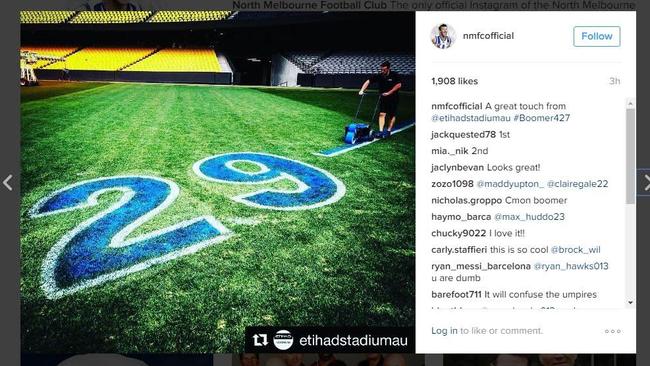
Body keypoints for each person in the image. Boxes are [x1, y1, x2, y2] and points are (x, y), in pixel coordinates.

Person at [359, 60, 402, 138]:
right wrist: (362, 90)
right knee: (381, 114)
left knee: (391, 115)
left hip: (393, 98)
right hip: (383, 98)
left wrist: (389, 93)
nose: (382, 71)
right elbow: (368, 81)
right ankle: (381, 131)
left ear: (388, 68)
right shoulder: (380, 76)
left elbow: (399, 85)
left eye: (384, 69)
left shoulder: (394, 75)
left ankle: (388, 131)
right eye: (381, 69)